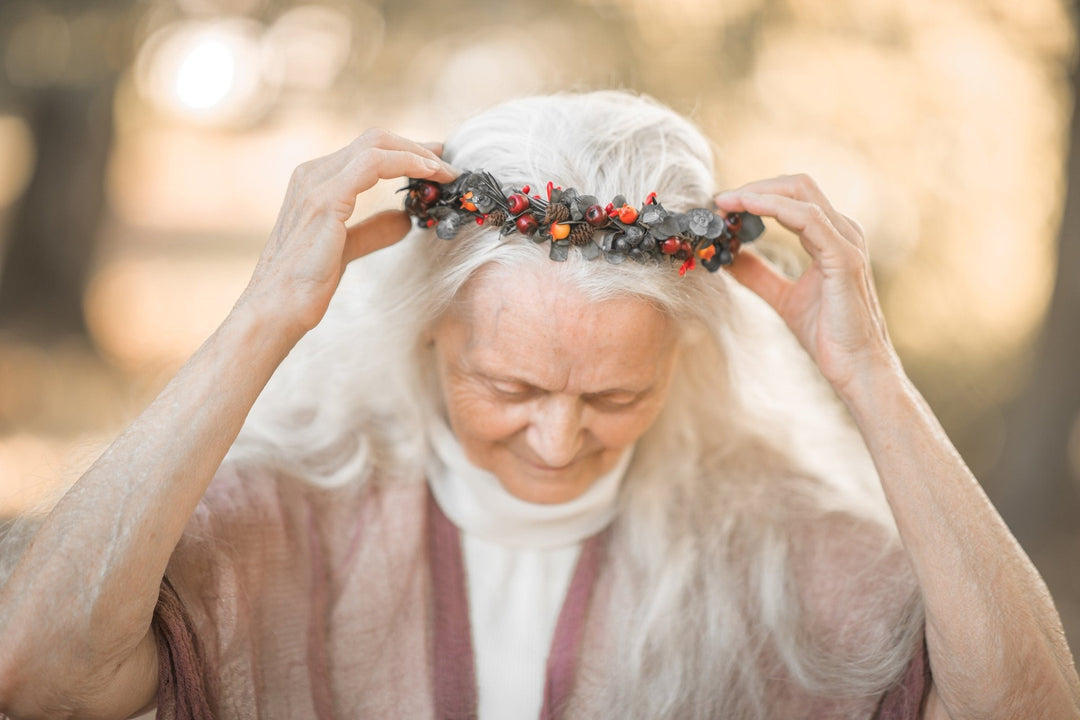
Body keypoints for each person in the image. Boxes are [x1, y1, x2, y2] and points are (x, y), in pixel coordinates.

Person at [0, 90, 1077, 720]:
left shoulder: (785, 543)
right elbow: (37, 674)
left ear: (689, 364)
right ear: (424, 329)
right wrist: (262, 322)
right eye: (508, 387)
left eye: (616, 394)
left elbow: (1029, 706)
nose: (561, 443)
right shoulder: (282, 521)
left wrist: (873, 380)